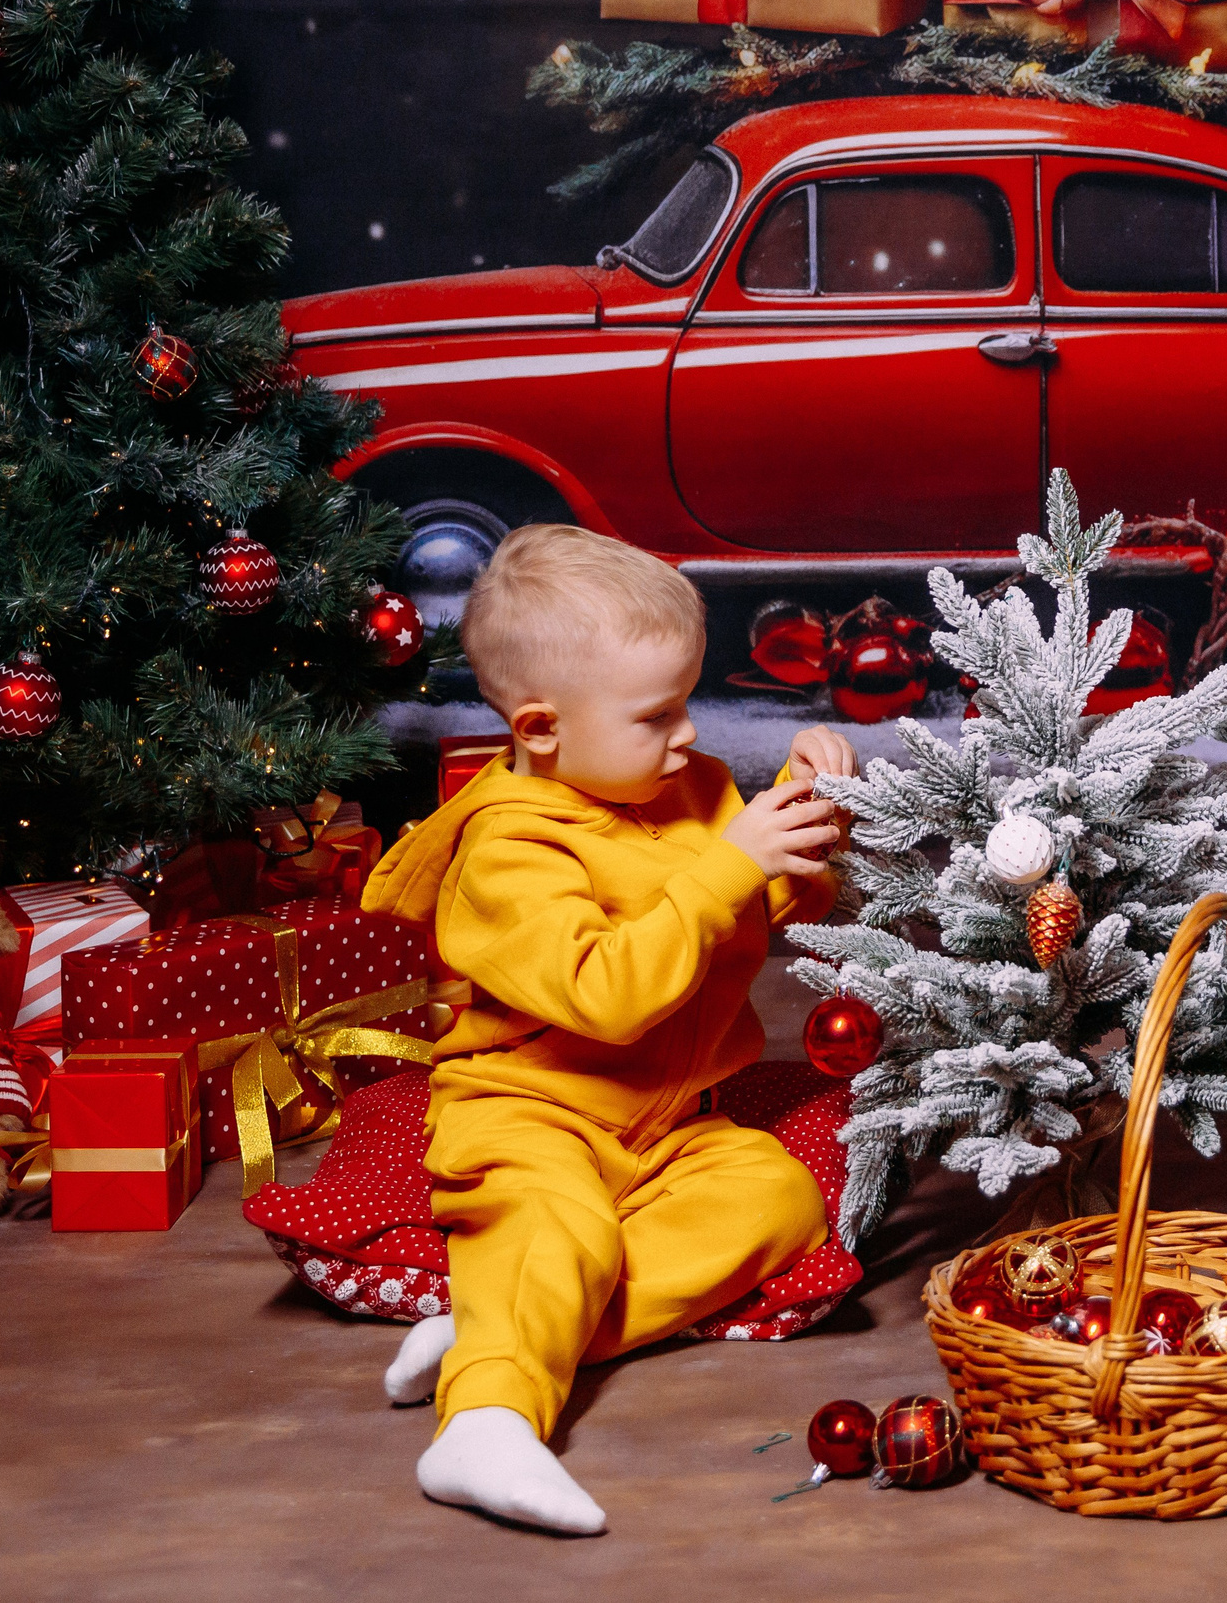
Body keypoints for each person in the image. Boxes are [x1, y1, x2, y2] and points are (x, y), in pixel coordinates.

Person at [359, 524, 856, 1532]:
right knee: (560, 1225)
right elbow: (608, 993)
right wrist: (731, 863)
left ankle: (503, 1328)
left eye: (686, 701)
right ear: (541, 727)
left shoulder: (691, 787)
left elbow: (762, 911)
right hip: (529, 1113)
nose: (687, 733)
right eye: (656, 714)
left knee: (779, 1197)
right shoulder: (508, 851)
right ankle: (485, 1422)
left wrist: (803, 825)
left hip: (671, 1125)